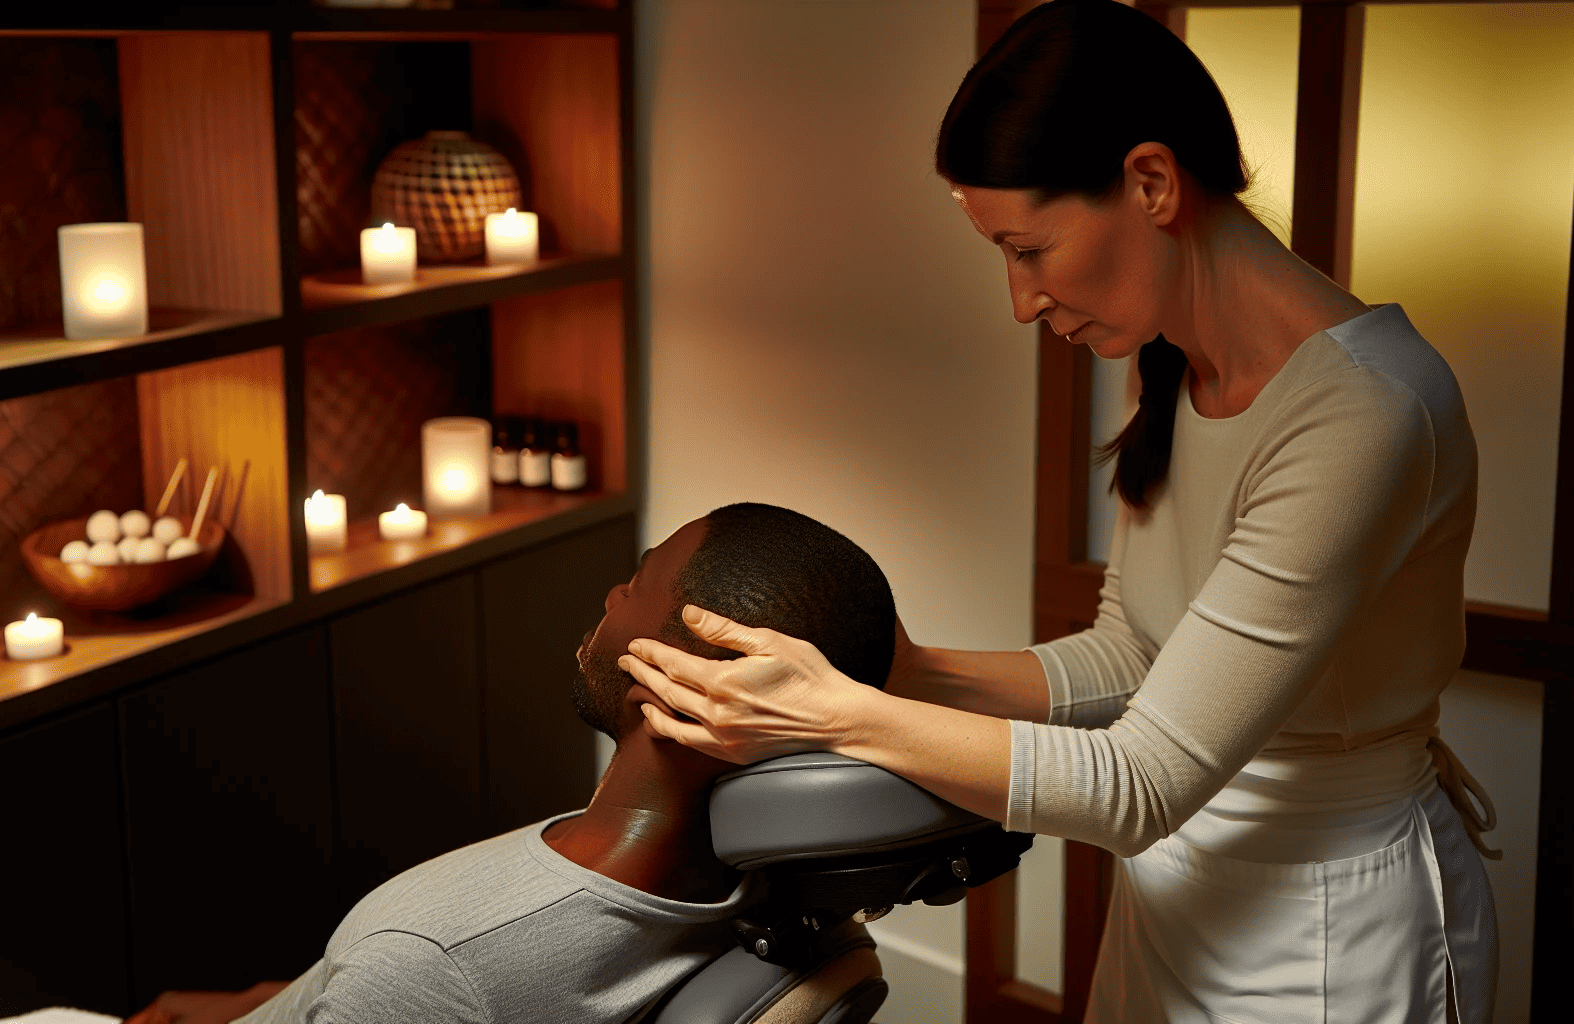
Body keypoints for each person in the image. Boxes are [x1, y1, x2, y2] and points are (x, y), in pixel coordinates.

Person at [617, 2, 1501, 1022]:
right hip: (1177, 900)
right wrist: (905, 670)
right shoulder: (1175, 366)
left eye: (1027, 248)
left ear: (1151, 183)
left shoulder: (1365, 413)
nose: (1019, 300)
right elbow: (1131, 661)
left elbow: (1145, 777)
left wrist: (837, 713)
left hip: (1329, 930)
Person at [123, 502, 897, 1024]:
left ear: (677, 681)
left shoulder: (433, 961)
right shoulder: (764, 890)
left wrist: (368, 986)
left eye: (641, 581)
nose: (611, 591)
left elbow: (430, 981)